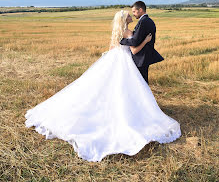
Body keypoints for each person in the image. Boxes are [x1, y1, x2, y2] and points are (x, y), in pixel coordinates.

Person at [25, 10, 181, 162]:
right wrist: (146, 42)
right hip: (124, 62)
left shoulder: (117, 31)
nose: (131, 17)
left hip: (114, 59)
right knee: (124, 89)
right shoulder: (127, 33)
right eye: (128, 16)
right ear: (124, 19)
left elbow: (112, 48)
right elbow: (133, 50)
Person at [120, 1, 164, 84]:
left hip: (142, 57)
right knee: (141, 82)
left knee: (141, 83)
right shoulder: (146, 20)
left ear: (140, 10)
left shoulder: (144, 21)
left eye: (134, 11)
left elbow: (135, 41)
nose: (133, 14)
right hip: (142, 57)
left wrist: (121, 40)